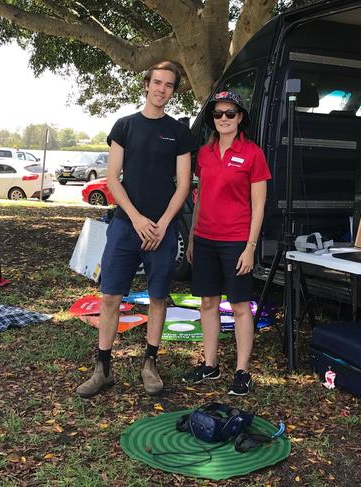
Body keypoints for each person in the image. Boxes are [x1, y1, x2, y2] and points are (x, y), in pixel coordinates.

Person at [77, 61, 196, 398]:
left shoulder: (179, 132)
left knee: (158, 299)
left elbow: (183, 185)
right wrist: (137, 218)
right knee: (111, 297)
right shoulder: (124, 126)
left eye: (169, 85)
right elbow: (113, 178)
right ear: (146, 84)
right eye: (157, 82)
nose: (161, 89)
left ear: (173, 91)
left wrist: (160, 224)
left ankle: (150, 364)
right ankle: (102, 369)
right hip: (126, 227)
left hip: (162, 230)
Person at [183, 90, 271, 396]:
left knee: (239, 306)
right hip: (205, 238)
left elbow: (259, 205)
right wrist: (193, 237)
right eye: (218, 114)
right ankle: (210, 364)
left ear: (240, 117)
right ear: (212, 119)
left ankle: (242, 371)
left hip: (236, 241)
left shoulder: (253, 154)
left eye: (230, 114)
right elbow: (199, 198)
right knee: (207, 302)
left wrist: (250, 246)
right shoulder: (204, 155)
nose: (224, 119)